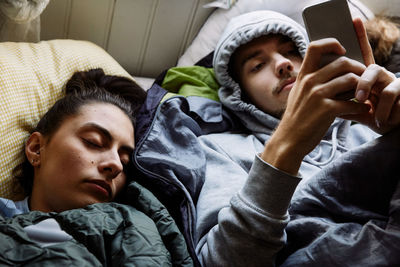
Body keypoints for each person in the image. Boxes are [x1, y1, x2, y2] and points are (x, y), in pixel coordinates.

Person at [193, 10, 400, 266]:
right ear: (240, 95)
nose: (283, 64)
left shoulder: (374, 108)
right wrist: (285, 148)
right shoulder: (223, 148)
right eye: (257, 65)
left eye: (292, 52)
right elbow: (223, 260)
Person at [0, 69, 193, 266]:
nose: (116, 165)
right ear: (36, 149)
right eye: (94, 142)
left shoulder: (136, 228)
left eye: (125, 161)